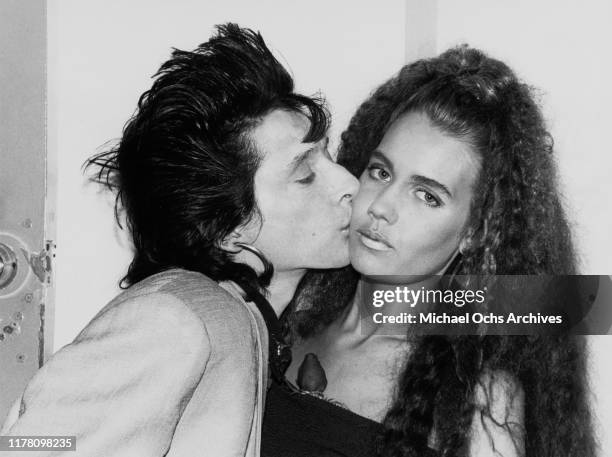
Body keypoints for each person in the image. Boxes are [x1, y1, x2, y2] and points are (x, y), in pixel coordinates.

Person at [1, 23, 358, 456]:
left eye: (329, 157)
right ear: (229, 230)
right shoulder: (175, 319)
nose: (347, 183)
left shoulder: (239, 320)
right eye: (305, 175)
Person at [262, 46, 595, 457]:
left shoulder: (481, 401)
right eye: (380, 171)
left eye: (427, 196)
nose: (381, 206)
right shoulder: (284, 320)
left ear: (476, 231)